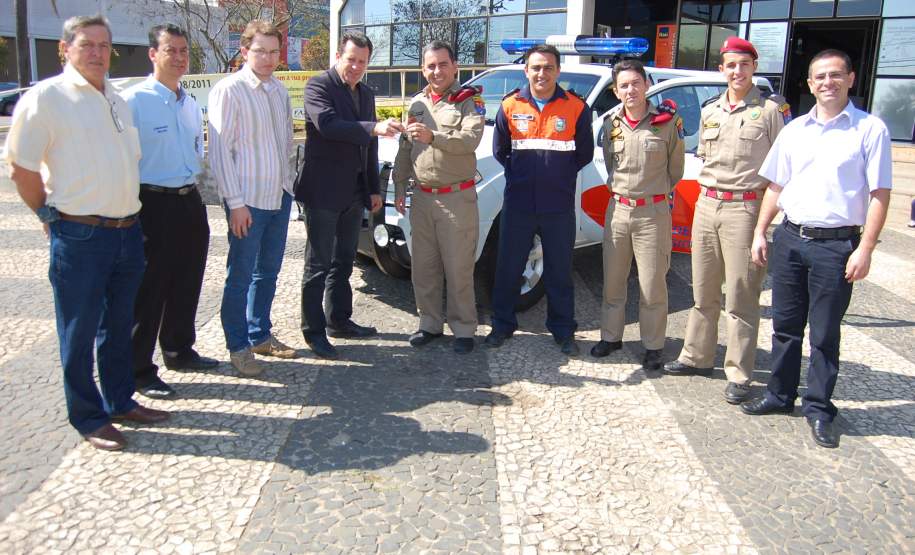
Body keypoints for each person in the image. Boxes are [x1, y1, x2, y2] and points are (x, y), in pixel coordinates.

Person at [4, 15, 169, 451]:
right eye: (87, 44)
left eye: (104, 45)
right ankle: (88, 416)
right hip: (80, 236)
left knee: (117, 327)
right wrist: (45, 212)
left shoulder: (115, 97)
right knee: (77, 333)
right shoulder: (47, 98)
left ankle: (119, 400)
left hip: (127, 232)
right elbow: (21, 168)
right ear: (66, 48)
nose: (97, 53)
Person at [742, 49, 893, 449]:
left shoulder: (870, 130)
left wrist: (866, 249)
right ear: (809, 84)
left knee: (824, 333)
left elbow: (879, 194)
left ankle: (819, 407)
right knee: (786, 327)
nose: (827, 82)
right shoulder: (795, 131)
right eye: (819, 77)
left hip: (836, 245)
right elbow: (776, 185)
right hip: (791, 239)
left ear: (850, 79)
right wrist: (761, 231)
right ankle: (779, 395)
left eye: (835, 75)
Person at [664, 37, 789, 404]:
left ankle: (739, 372)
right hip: (708, 204)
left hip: (745, 210)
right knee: (702, 292)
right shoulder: (710, 111)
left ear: (754, 67)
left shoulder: (769, 112)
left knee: (741, 295)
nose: (737, 71)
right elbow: (705, 157)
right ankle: (697, 356)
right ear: (722, 69)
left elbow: (781, 172)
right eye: (730, 65)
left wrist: (763, 227)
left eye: (744, 64)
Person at [121, 24, 218, 399]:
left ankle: (179, 349)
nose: (179, 58)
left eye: (183, 51)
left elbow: (196, 150)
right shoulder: (134, 101)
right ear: (153, 54)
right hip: (152, 203)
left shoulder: (189, 102)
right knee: (150, 288)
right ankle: (139, 369)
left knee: (187, 279)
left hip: (188, 199)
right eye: (170, 50)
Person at [297, 30, 403, 359]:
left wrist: (373, 189)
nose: (356, 66)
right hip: (323, 191)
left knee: (344, 261)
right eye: (351, 59)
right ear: (338, 57)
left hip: (355, 193)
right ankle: (313, 332)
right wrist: (372, 127)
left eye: (362, 61)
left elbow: (369, 147)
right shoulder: (319, 86)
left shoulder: (366, 94)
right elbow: (328, 125)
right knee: (318, 264)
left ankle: (338, 320)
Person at [486, 44, 594, 356]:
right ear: (526, 71)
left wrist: (555, 177)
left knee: (560, 271)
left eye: (548, 67)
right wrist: (523, 177)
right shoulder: (510, 105)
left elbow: (583, 154)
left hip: (558, 206)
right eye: (535, 67)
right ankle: (502, 324)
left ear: (558, 71)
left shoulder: (576, 108)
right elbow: (501, 151)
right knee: (508, 268)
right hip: (519, 203)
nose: (541, 73)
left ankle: (562, 331)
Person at [209, 20, 300, 377]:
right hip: (246, 200)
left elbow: (285, 144)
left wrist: (289, 186)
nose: (267, 58)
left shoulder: (278, 91)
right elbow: (219, 152)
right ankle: (238, 346)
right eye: (260, 50)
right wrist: (235, 202)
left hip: (278, 197)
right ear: (245, 51)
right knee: (241, 275)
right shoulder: (229, 90)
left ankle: (260, 333)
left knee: (269, 272)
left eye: (274, 51)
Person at [591, 59, 685, 370]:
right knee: (613, 280)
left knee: (652, 283)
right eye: (624, 86)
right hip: (618, 210)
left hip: (652, 213)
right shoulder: (611, 124)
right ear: (616, 92)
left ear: (646, 85)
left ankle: (654, 345)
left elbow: (676, 171)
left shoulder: (668, 123)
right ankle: (611, 336)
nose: (630, 90)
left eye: (635, 83)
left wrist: (652, 194)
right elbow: (609, 163)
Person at [392, 41, 485, 354]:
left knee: (458, 267)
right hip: (422, 198)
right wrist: (400, 184)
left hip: (456, 198)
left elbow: (470, 140)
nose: (437, 71)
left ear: (455, 66)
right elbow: (406, 147)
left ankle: (463, 329)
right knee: (424, 267)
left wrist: (434, 136)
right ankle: (429, 324)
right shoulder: (417, 103)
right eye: (430, 66)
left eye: (443, 64)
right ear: (423, 69)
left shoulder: (468, 101)